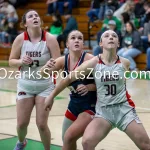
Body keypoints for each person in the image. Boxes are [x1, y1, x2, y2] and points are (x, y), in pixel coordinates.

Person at [44, 30, 150, 150]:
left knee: (145, 145)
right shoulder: (93, 63)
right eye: (107, 36)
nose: (111, 37)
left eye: (114, 36)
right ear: (101, 43)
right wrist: (51, 96)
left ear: (118, 44)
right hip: (103, 112)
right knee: (87, 142)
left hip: (123, 110)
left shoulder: (125, 63)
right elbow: (67, 79)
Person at [9, 9, 60, 150]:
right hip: (25, 85)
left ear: (40, 21)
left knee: (42, 124)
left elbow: (59, 63)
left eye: (37, 15)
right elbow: (11, 61)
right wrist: (20, 61)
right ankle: (21, 142)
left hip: (45, 86)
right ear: (25, 23)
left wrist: (51, 65)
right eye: (31, 16)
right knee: (21, 124)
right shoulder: (20, 39)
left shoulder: (49, 39)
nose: (35, 17)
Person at [41, 30, 97, 150]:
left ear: (83, 44)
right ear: (67, 44)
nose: (76, 40)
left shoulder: (90, 59)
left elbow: (104, 84)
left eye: (80, 38)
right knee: (66, 141)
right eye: (73, 38)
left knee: (69, 137)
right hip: (74, 104)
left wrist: (89, 87)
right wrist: (46, 67)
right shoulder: (63, 60)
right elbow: (43, 75)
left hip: (91, 106)